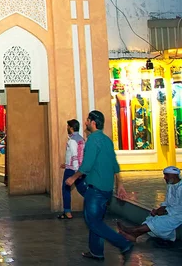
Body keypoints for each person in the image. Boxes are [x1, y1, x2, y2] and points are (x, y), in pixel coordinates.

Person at [65, 110, 134, 260]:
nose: (85, 122)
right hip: (106, 190)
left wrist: (73, 178)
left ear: (93, 123)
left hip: (96, 189)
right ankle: (96, 251)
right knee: (96, 220)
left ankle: (123, 243)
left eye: (88, 120)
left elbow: (87, 165)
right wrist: (120, 185)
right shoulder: (107, 140)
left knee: (93, 222)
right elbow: (115, 165)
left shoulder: (93, 140)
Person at [117, 166, 182, 243]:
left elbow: (179, 207)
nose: (164, 177)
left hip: (178, 214)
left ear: (174, 175)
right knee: (151, 218)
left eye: (166, 175)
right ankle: (134, 235)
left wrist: (166, 210)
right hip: (172, 212)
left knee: (158, 221)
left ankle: (132, 230)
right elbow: (168, 201)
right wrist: (159, 209)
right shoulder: (171, 186)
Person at [58, 119, 87, 219]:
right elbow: (81, 155)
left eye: (67, 126)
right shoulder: (81, 139)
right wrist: (66, 164)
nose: (66, 128)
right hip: (79, 168)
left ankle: (67, 212)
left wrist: (75, 172)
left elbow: (75, 156)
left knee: (65, 188)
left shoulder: (72, 141)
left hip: (72, 170)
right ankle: (93, 202)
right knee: (82, 189)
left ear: (71, 128)